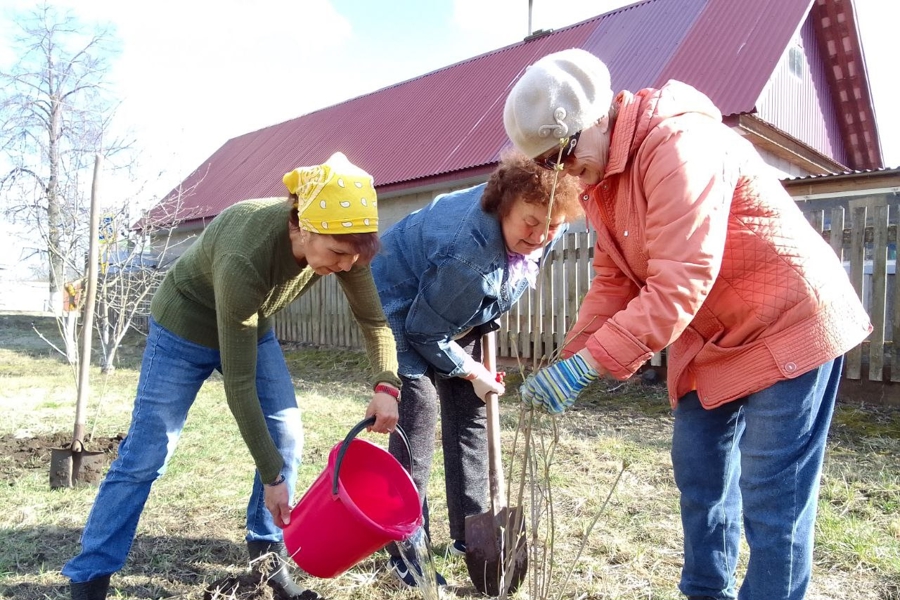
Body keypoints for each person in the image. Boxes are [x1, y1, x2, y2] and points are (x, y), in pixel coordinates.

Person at [503, 49, 872, 600]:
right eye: (549, 162)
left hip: (788, 322)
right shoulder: (603, 181)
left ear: (598, 116)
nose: (563, 171)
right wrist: (571, 360)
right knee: (699, 473)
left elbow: (680, 279)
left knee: (773, 499)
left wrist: (590, 364)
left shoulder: (678, 143)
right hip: (711, 336)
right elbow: (614, 282)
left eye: (565, 152)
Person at [63, 152, 403, 600]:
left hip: (251, 325)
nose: (344, 266)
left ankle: (266, 565)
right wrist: (272, 479)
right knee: (148, 453)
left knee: (287, 436)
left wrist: (386, 384)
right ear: (302, 225)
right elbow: (239, 387)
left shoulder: (346, 249)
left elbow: (374, 322)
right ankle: (89, 578)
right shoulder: (247, 253)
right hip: (183, 328)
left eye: (351, 256)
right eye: (337, 253)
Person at [370, 150, 582, 587]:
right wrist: (472, 370)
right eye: (530, 223)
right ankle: (407, 553)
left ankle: (473, 535)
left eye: (553, 227)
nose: (541, 236)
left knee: (471, 410)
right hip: (397, 299)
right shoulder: (468, 258)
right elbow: (423, 332)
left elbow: (514, 273)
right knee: (419, 413)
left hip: (447, 304)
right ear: (504, 207)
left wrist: (479, 347)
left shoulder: (543, 220)